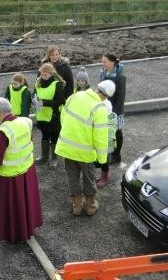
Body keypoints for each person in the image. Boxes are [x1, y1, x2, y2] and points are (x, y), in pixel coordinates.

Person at [0, 98, 43, 242]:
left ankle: (16, 234)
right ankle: (28, 228)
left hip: (10, 177)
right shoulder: (25, 121)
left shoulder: (2, 132)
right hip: (27, 170)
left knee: (14, 207)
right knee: (27, 203)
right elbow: (27, 141)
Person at [55, 81, 112, 216]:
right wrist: (102, 158)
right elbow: (100, 135)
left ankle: (76, 206)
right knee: (88, 178)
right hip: (86, 152)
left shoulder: (76, 95)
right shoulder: (100, 108)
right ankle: (90, 206)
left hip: (67, 147)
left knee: (72, 177)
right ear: (105, 96)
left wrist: (69, 133)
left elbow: (64, 115)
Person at [33, 63, 65, 168]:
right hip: (41, 115)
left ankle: (54, 158)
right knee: (44, 135)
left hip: (53, 116)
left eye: (46, 75)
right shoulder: (38, 82)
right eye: (42, 74)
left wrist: (44, 102)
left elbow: (60, 101)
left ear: (51, 74)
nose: (43, 76)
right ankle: (44, 156)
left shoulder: (57, 84)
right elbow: (34, 95)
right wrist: (34, 101)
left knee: (54, 137)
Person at [100, 53, 126, 164]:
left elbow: (120, 98)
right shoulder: (103, 73)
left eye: (105, 61)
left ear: (112, 62)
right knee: (109, 133)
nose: (103, 63)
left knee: (117, 132)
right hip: (105, 108)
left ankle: (116, 155)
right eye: (102, 61)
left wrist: (114, 114)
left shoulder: (120, 77)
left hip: (115, 111)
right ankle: (111, 152)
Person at [95, 82, 119, 188]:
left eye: (100, 91)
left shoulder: (106, 105)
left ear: (105, 94)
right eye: (97, 90)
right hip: (99, 132)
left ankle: (105, 177)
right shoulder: (97, 100)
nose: (96, 92)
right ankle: (102, 176)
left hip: (105, 134)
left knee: (104, 156)